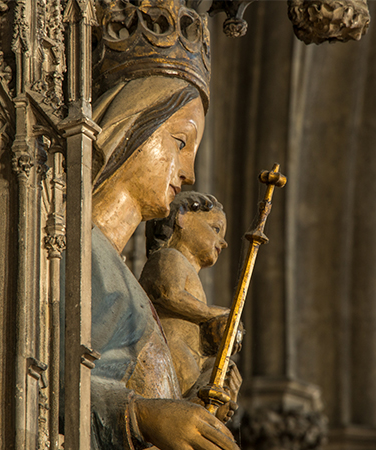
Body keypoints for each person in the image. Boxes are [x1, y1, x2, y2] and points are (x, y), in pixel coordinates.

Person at [87, 75, 241, 450]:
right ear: (131, 130)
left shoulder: (117, 270)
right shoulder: (75, 249)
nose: (189, 173)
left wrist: (197, 407)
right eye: (181, 143)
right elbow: (37, 376)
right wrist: (142, 417)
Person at [139, 192, 242, 423]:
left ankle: (217, 404)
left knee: (221, 370)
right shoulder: (169, 257)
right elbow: (169, 294)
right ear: (182, 218)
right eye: (215, 229)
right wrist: (214, 313)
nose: (223, 243)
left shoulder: (191, 273)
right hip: (168, 352)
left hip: (191, 355)